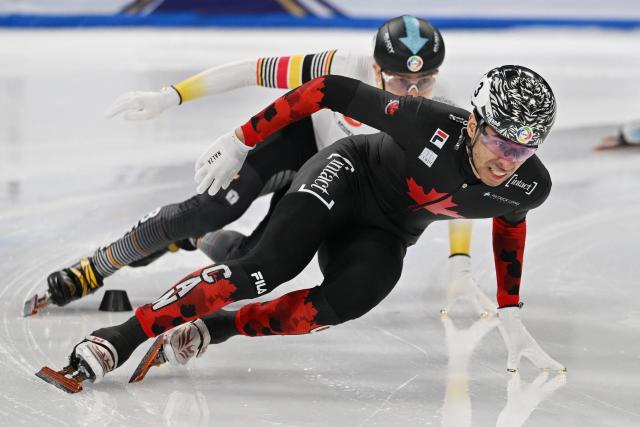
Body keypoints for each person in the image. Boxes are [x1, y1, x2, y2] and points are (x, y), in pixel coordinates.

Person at [39, 65, 565, 392]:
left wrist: (511, 308)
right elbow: (327, 88)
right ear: (474, 122)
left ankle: (216, 327)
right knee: (263, 269)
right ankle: (121, 337)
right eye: (501, 143)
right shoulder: (426, 120)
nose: (508, 161)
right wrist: (243, 137)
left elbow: (509, 226)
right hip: (348, 174)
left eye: (523, 149)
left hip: (385, 233)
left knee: (342, 304)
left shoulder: (529, 185)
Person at [33, 15, 482, 318]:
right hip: (297, 143)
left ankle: (199, 240)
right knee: (210, 207)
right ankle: (98, 264)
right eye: (402, 80)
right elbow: (252, 70)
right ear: (376, 69)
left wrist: (460, 264)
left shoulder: (443, 110)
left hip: (333, 175)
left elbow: (454, 192)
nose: (414, 93)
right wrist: (171, 96)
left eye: (425, 80)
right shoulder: (340, 66)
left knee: (249, 264)